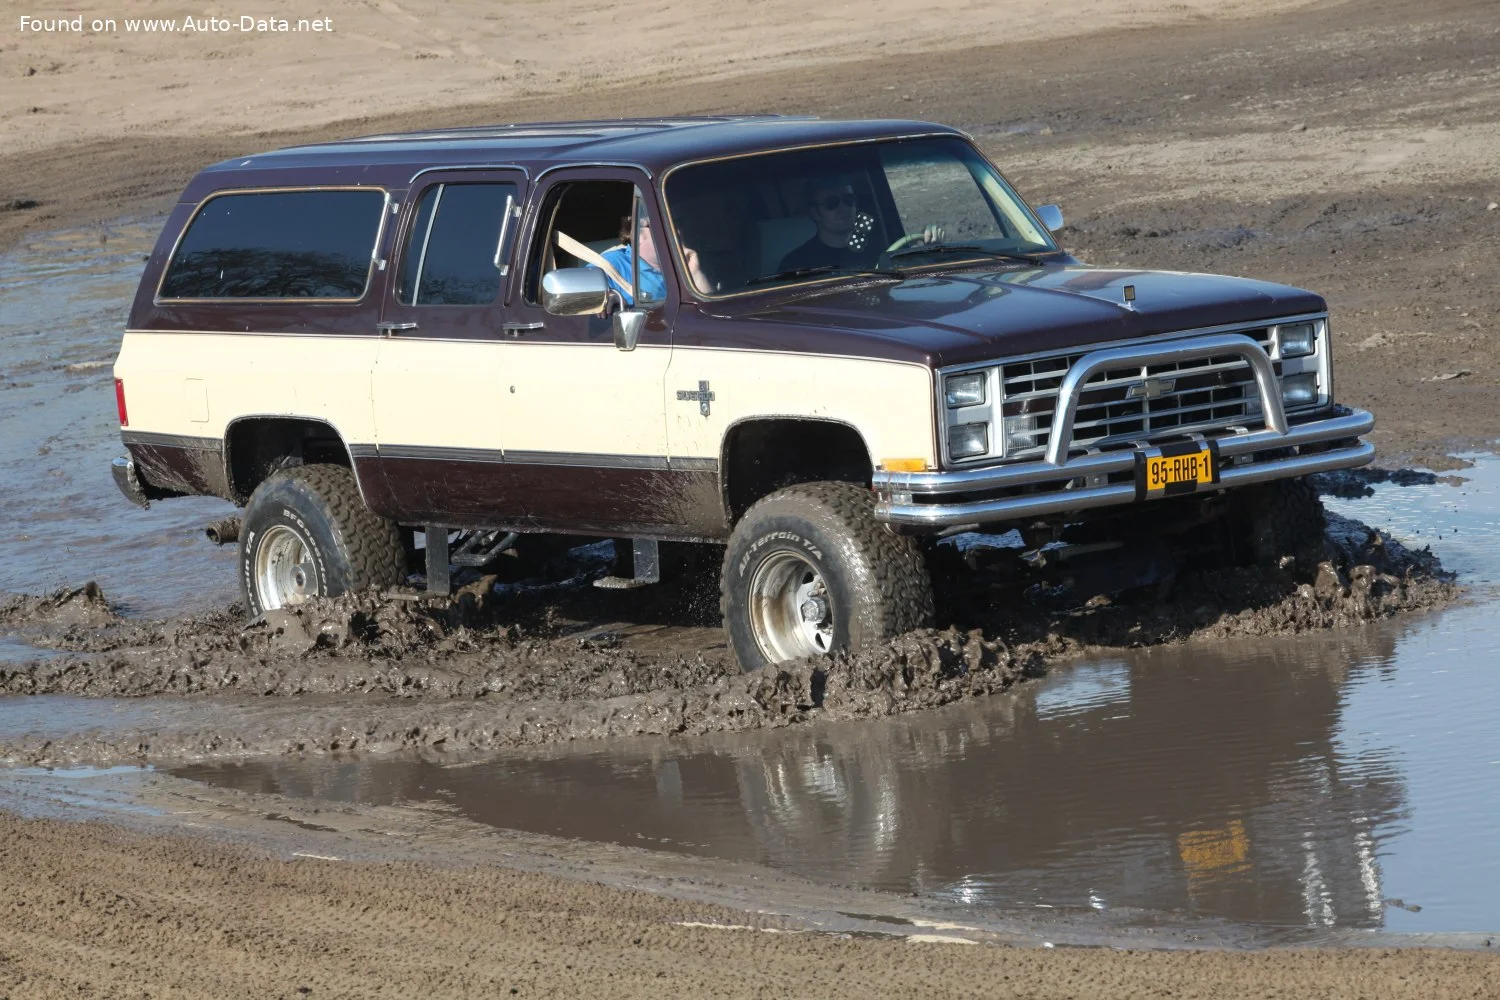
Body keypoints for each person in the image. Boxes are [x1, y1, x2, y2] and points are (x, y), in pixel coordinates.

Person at [594, 214, 712, 305]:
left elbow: (709, 311)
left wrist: (695, 272)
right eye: (662, 224)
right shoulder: (610, 263)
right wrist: (607, 297)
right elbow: (585, 296)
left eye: (676, 224)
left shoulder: (686, 262)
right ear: (635, 233)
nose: (677, 231)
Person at [777, 178, 869, 273]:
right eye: (831, 203)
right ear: (815, 212)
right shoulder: (796, 264)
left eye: (849, 200)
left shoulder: (876, 248)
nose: (844, 208)